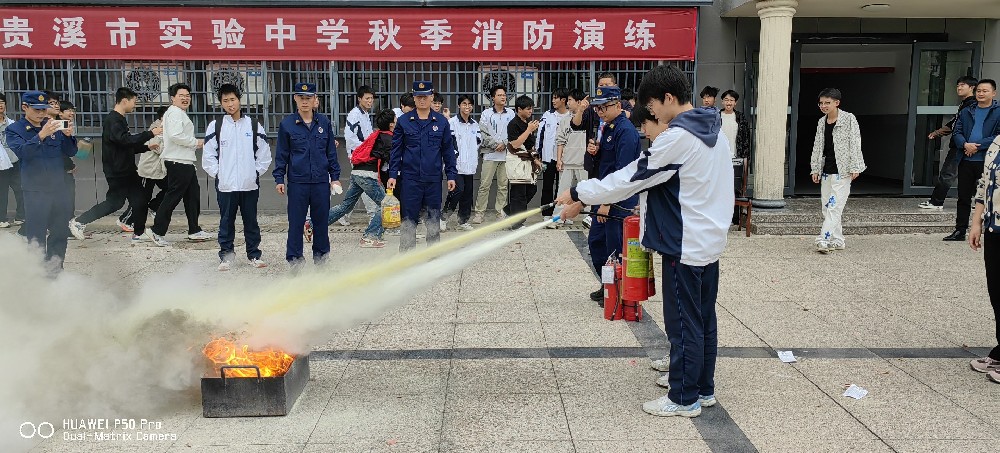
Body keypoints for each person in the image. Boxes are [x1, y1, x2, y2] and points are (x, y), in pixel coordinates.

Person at [557, 64, 734, 418]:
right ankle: (704, 387)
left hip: (685, 243)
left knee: (683, 321)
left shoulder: (679, 137)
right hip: (708, 240)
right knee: (703, 318)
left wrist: (579, 192)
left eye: (652, 106)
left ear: (668, 99)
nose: (650, 113)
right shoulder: (711, 128)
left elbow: (631, 177)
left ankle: (683, 398)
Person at [69, 87, 160, 242]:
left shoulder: (119, 119)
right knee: (116, 203)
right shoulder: (113, 120)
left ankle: (138, 233)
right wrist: (150, 133)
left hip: (126, 169)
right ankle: (79, 222)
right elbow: (124, 140)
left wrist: (147, 147)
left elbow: (125, 145)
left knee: (139, 200)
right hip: (118, 171)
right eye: (134, 102)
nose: (135, 105)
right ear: (124, 101)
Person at [4, 91, 78, 271]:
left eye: (44, 109)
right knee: (36, 234)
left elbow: (70, 152)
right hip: (35, 190)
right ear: (24, 108)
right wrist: (41, 136)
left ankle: (55, 268)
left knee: (60, 231)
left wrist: (69, 135)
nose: (41, 114)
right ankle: (37, 272)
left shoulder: (53, 125)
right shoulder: (14, 129)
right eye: (36, 110)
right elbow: (22, 152)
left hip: (58, 188)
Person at [203, 84, 271, 271]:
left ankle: (254, 255)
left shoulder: (253, 124)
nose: (230, 104)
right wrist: (219, 173)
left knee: (251, 220)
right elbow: (208, 155)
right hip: (226, 185)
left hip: (249, 184)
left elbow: (264, 153)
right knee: (226, 220)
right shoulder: (216, 126)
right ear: (221, 103)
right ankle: (226, 256)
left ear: (239, 100)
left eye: (233, 99)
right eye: (225, 101)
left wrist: (255, 172)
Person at [274, 82, 342, 266]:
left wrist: (335, 177)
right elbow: (282, 154)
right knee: (296, 223)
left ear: (315, 100)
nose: (305, 102)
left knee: (321, 223)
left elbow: (330, 153)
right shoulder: (287, 125)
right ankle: (295, 260)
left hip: (320, 181)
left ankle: (321, 259)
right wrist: (279, 178)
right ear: (295, 99)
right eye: (301, 98)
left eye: (308, 98)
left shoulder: (324, 123)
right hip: (298, 182)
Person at [584, 85, 641, 304]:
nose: (600, 112)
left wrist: (608, 202)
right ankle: (608, 284)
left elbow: (623, 171)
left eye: (605, 107)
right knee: (597, 242)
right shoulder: (607, 127)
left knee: (614, 247)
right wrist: (595, 152)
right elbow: (603, 165)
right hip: (605, 196)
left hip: (618, 200)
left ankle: (618, 290)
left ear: (618, 105)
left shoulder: (625, 131)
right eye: (597, 108)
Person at [386, 81, 457, 252]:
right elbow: (396, 150)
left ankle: (433, 254)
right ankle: (407, 254)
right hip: (410, 179)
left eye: (425, 96)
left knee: (433, 217)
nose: (422, 100)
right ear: (414, 98)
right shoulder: (404, 121)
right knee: (409, 218)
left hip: (433, 179)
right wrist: (392, 175)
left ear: (432, 97)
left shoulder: (441, 122)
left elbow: (448, 150)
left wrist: (451, 175)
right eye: (419, 97)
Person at [148, 83, 211, 246]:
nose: (185, 98)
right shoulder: (175, 113)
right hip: (178, 161)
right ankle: (156, 231)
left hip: (184, 160)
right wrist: (196, 142)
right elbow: (176, 135)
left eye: (187, 96)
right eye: (181, 95)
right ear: (172, 98)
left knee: (192, 195)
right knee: (173, 197)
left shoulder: (178, 113)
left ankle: (194, 230)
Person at [809, 88, 865, 253]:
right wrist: (815, 168)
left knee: (834, 206)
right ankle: (838, 240)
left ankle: (823, 239)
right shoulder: (821, 122)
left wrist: (855, 166)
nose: (823, 106)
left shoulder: (849, 119)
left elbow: (855, 142)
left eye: (827, 103)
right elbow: (817, 146)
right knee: (827, 207)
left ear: (837, 103)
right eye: (821, 103)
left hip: (844, 170)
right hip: (827, 169)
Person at [328, 109, 394, 248]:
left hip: (357, 172)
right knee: (387, 205)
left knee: (346, 206)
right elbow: (392, 160)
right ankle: (370, 237)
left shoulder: (376, 135)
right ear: (391, 124)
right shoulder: (388, 138)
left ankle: (313, 225)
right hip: (367, 175)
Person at [947, 79, 1000, 242]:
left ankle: (986, 228)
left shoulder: (998, 111)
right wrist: (965, 144)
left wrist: (977, 146)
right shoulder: (967, 111)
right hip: (966, 159)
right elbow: (957, 131)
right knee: (963, 196)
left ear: (993, 93)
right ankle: (959, 230)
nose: (981, 93)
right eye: (978, 91)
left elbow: (998, 135)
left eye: (985, 91)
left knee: (987, 196)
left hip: (987, 161)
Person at [920, 76, 979, 211]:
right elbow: (954, 123)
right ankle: (980, 202)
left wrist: (967, 144)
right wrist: (938, 132)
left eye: (962, 85)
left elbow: (961, 125)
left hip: (964, 145)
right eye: (958, 85)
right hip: (967, 145)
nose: (959, 87)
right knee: (974, 174)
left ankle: (936, 202)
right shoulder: (966, 104)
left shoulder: (973, 105)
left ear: (971, 88)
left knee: (948, 173)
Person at [968, 135, 1000, 382]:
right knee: (996, 291)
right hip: (994, 226)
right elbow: (984, 183)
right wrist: (976, 221)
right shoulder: (998, 141)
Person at [121, 106, 170, 230]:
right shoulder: (157, 128)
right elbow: (158, 148)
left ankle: (153, 207)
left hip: (158, 170)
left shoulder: (166, 128)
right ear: (163, 117)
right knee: (142, 198)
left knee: (170, 188)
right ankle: (125, 220)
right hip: (148, 170)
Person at [473, 85, 514, 224]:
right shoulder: (486, 114)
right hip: (490, 154)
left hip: (506, 155)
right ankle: (479, 213)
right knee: (485, 185)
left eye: (504, 95)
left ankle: (500, 212)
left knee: (503, 185)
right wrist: (495, 145)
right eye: (500, 95)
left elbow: (514, 132)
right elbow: (482, 132)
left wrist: (504, 143)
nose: (503, 97)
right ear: (493, 98)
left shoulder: (511, 113)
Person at [552, 89, 591, 228]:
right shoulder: (565, 120)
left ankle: (589, 218)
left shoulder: (588, 118)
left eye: (570, 100)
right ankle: (558, 217)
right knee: (563, 191)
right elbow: (560, 140)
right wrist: (559, 159)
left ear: (579, 102)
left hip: (584, 162)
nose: (568, 103)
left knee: (587, 190)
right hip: (568, 161)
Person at [342, 85, 378, 227]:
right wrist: (364, 151)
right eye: (367, 98)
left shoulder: (365, 114)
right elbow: (350, 137)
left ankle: (343, 214)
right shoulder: (354, 114)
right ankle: (373, 215)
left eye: (371, 98)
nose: (370, 101)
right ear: (359, 99)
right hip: (359, 156)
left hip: (364, 155)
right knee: (366, 184)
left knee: (357, 188)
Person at [443, 95, 480, 231]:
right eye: (464, 104)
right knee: (457, 190)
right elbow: (448, 142)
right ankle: (444, 217)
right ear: (459, 106)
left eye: (470, 104)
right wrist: (455, 156)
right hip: (456, 165)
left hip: (470, 164)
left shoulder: (474, 124)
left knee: (468, 193)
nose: (467, 107)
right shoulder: (452, 123)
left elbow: (478, 141)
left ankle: (463, 220)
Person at [505, 95, 541, 230]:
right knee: (518, 193)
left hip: (527, 162)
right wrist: (528, 130)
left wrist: (536, 159)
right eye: (528, 109)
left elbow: (530, 144)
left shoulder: (528, 123)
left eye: (531, 108)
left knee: (531, 189)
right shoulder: (513, 124)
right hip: (517, 162)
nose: (530, 111)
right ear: (519, 109)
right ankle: (516, 223)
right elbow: (515, 144)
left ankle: (509, 212)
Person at [538, 88, 571, 221]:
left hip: (566, 158)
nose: (553, 101)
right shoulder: (547, 115)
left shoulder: (571, 116)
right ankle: (547, 214)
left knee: (564, 187)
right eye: (552, 98)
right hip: (548, 157)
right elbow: (540, 136)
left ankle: (564, 214)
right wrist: (539, 154)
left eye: (555, 98)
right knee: (547, 186)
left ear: (563, 100)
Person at [0, 93, 25, 229]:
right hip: (1, 166)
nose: (0, 105)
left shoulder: (12, 124)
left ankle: (21, 216)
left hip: (14, 161)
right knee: (1, 192)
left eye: (2, 102)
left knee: (21, 189)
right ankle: (1, 218)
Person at [718, 90, 751, 159]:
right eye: (726, 100)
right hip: (719, 157)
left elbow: (745, 140)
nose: (729, 103)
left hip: (736, 158)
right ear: (722, 102)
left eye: (731, 100)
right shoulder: (716, 116)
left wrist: (745, 159)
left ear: (735, 102)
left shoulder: (740, 117)